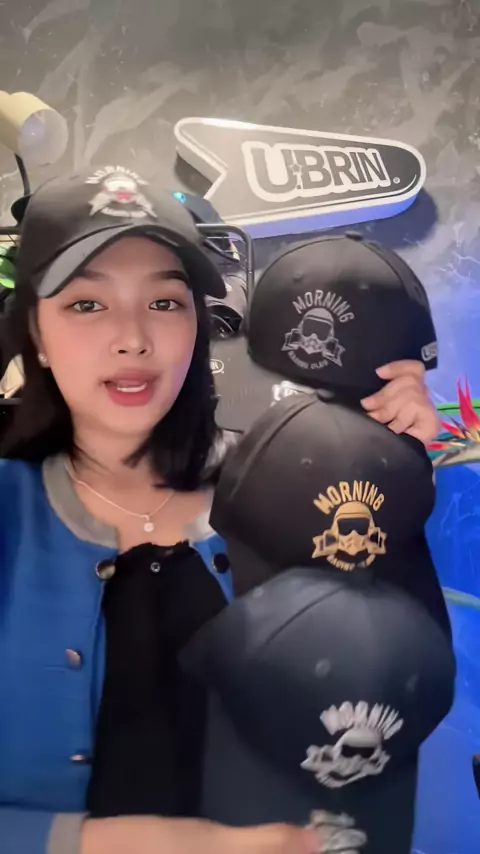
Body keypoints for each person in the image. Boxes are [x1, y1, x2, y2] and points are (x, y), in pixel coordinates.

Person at [0, 166, 440, 854]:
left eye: (164, 302)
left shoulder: (294, 481)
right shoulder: (10, 512)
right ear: (36, 332)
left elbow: (399, 691)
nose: (133, 338)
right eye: (87, 304)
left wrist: (388, 472)